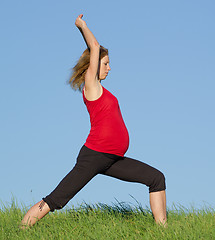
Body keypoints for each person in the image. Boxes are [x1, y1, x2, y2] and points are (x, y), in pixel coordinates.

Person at [21, 14, 167, 228]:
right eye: (106, 63)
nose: (109, 68)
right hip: (95, 156)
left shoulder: (103, 91)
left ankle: (162, 232)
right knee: (56, 200)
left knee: (156, 178)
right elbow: (95, 46)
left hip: (113, 158)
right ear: (93, 65)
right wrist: (82, 26)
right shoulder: (92, 86)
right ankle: (22, 229)